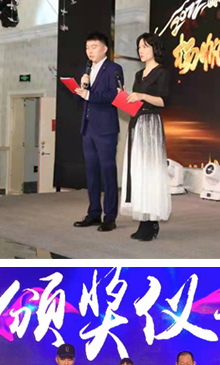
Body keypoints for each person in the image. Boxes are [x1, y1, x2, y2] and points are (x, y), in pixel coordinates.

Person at [120, 34, 172, 242]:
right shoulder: (138, 74)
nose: (140, 50)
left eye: (145, 46)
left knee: (150, 172)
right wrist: (125, 98)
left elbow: (163, 101)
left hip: (151, 125)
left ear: (155, 49)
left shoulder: (162, 72)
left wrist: (141, 96)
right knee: (138, 172)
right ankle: (143, 219)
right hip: (137, 124)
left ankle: (152, 222)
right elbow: (135, 103)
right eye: (139, 47)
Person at [72, 32, 124, 233]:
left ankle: (110, 217)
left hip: (105, 129)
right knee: (91, 173)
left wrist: (88, 94)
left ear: (105, 49)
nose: (89, 51)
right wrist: (82, 87)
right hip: (88, 129)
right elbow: (80, 100)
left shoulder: (113, 69)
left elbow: (113, 95)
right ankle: (94, 213)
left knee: (108, 172)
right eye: (87, 47)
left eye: (93, 47)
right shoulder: (87, 70)